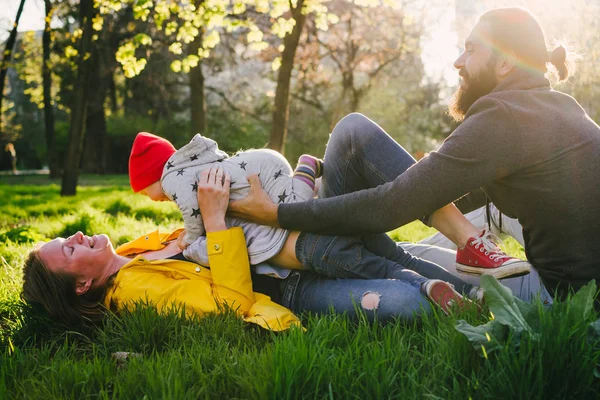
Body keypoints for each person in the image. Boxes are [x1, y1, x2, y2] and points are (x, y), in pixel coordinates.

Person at [229, 8, 600, 304]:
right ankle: (338, 255)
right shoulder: (558, 108)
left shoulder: (504, 115)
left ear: (505, 64)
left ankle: (312, 266)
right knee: (357, 138)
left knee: (399, 249)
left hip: (560, 303)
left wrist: (276, 213)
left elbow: (392, 206)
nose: (458, 62)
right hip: (580, 294)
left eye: (471, 50)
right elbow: (446, 190)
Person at [21, 169, 475, 328]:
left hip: (289, 241)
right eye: (70, 250)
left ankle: (475, 292)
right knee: (407, 305)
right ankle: (461, 293)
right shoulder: (135, 291)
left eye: (69, 237)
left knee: (396, 259)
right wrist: (215, 221)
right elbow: (230, 303)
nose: (77, 236)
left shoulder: (135, 249)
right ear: (82, 283)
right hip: (290, 287)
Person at [129, 132, 528, 281]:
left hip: (299, 238)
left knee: (386, 262)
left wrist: (195, 240)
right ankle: (474, 273)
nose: (84, 236)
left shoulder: (178, 189)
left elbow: (201, 231)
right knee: (395, 265)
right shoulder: (138, 274)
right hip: (291, 251)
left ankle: (475, 244)